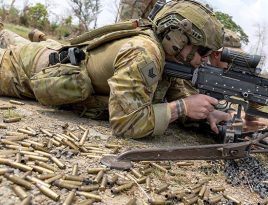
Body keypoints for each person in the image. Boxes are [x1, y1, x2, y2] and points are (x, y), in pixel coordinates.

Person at [0, 0, 230, 138]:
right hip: (21, 71)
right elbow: (125, 123)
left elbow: (173, 91)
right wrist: (182, 107)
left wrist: (206, 113)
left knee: (14, 38)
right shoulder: (144, 54)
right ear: (178, 37)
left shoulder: (165, 53)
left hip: (52, 53)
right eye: (203, 52)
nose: (206, 60)